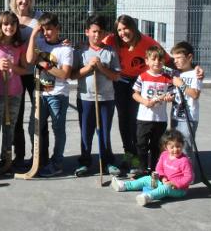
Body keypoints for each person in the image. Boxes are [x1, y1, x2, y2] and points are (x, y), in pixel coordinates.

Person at [102, 14, 171, 175]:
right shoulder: (113, 40)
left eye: (125, 28)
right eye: (119, 29)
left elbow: (168, 60)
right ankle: (130, 156)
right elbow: (96, 45)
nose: (122, 33)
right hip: (120, 81)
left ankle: (146, 159)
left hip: (141, 83)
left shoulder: (147, 42)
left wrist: (192, 69)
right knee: (124, 120)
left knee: (138, 122)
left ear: (133, 27)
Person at [72, 14, 121, 177]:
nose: (97, 35)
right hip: (85, 98)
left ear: (105, 34)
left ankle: (107, 162)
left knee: (104, 131)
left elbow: (116, 76)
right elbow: (73, 75)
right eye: (94, 31)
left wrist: (100, 67)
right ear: (87, 32)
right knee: (86, 131)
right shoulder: (80, 51)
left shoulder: (110, 51)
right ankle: (85, 162)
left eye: (100, 32)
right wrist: (88, 68)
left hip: (106, 98)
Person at [26, 12, 73, 177]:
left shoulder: (65, 48)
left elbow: (64, 74)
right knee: (34, 127)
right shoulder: (39, 42)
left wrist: (45, 65)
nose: (46, 33)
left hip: (57, 95)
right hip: (40, 93)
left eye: (50, 29)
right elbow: (29, 58)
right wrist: (33, 34)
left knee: (58, 129)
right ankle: (39, 159)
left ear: (58, 29)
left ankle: (57, 163)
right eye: (44, 30)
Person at [0, 11, 27, 173]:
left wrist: (12, 67)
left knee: (10, 127)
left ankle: (5, 158)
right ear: (1, 26)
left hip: (15, 93)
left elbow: (23, 70)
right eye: (6, 24)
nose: (9, 27)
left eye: (13, 24)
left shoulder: (19, 45)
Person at [9, 0, 44, 168]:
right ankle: (19, 155)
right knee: (17, 116)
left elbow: (50, 36)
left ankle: (39, 155)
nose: (24, 1)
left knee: (39, 115)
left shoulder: (39, 17)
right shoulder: (10, 19)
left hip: (36, 73)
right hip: (16, 74)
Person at [111, 129, 194, 207]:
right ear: (166, 147)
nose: (175, 149)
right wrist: (162, 177)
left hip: (178, 189)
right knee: (146, 179)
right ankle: (124, 185)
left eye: (178, 146)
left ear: (182, 145)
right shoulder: (164, 155)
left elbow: (188, 178)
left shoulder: (184, 161)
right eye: (172, 147)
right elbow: (159, 168)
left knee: (165, 189)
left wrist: (174, 183)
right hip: (163, 181)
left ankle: (148, 197)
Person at [132, 45, 175, 175]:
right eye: (153, 59)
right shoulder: (142, 76)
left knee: (157, 145)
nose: (157, 62)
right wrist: (145, 101)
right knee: (141, 144)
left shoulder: (167, 78)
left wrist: (168, 98)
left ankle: (156, 169)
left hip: (160, 119)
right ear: (147, 61)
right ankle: (142, 168)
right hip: (144, 118)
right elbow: (135, 94)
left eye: (160, 59)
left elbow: (172, 95)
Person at [169, 41, 203, 163]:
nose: (175, 61)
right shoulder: (176, 72)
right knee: (174, 145)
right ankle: (177, 172)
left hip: (189, 118)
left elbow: (195, 94)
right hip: (175, 116)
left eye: (179, 58)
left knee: (185, 147)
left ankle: (188, 176)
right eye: (174, 58)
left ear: (189, 57)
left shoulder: (195, 74)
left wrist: (181, 84)